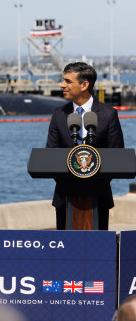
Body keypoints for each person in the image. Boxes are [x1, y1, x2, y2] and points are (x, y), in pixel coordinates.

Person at [46, 62, 124, 230]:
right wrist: (73, 182)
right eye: (63, 80)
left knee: (99, 252)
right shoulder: (59, 115)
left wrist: (90, 181)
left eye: (68, 81)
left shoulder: (109, 115)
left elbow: (117, 157)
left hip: (99, 197)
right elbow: (50, 156)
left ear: (84, 85)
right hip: (65, 197)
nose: (62, 85)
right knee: (67, 253)